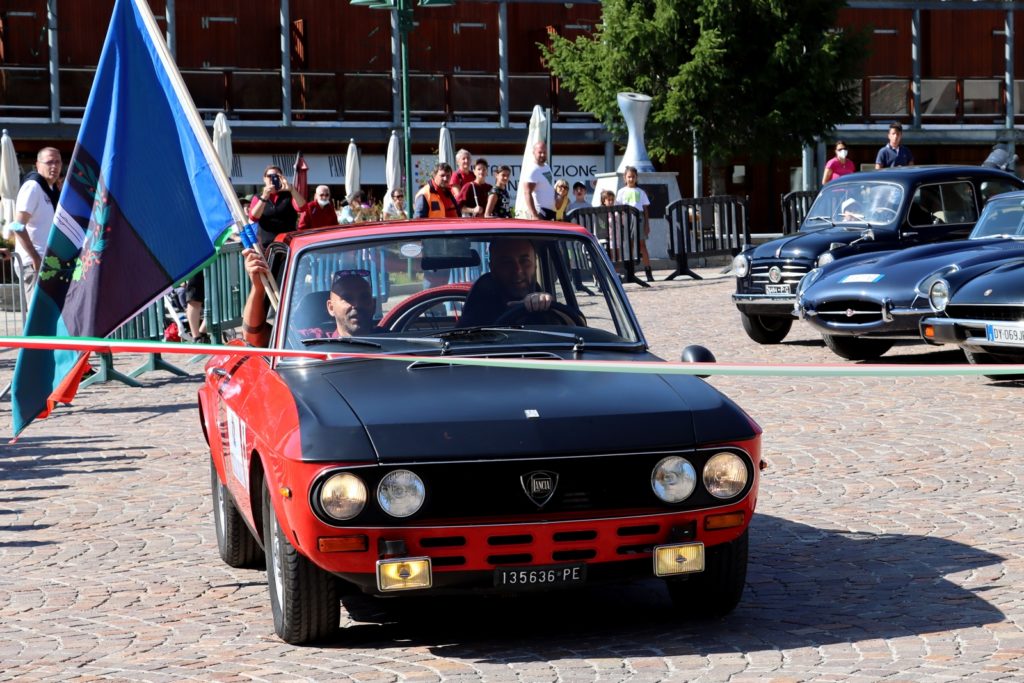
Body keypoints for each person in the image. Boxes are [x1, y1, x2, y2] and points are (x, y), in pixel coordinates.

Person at [240, 250, 376, 347]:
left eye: (364, 297)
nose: (357, 304)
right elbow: (254, 339)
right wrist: (258, 288)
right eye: (347, 298)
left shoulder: (394, 341)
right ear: (330, 307)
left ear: (374, 304)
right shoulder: (310, 340)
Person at [459, 238, 554, 327]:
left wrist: (547, 304)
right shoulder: (478, 311)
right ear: (492, 268)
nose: (518, 270)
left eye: (524, 261)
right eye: (507, 263)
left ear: (535, 264)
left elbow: (567, 324)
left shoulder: (543, 300)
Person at [11, 147, 62, 300]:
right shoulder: (33, 187)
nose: (54, 166)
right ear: (38, 165)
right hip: (33, 265)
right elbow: (18, 227)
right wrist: (35, 258)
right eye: (49, 162)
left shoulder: (51, 189)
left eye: (58, 162)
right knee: (38, 318)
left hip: (49, 263)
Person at [249, 164, 306, 247]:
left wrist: (291, 189)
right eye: (269, 176)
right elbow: (253, 217)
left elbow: (302, 207)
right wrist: (264, 197)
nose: (273, 178)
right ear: (264, 179)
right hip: (267, 245)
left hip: (288, 242)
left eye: (276, 176)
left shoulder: (289, 194)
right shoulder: (258, 197)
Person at [614, 166, 655, 282]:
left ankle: (648, 271)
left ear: (636, 177)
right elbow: (618, 207)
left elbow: (645, 209)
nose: (631, 179)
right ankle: (629, 271)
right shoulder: (621, 192)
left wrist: (647, 224)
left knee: (642, 245)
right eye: (629, 177)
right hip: (626, 219)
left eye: (633, 177)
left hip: (639, 218)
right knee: (629, 245)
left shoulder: (640, 192)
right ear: (625, 178)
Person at [523, 141, 556, 220]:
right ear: (533, 152)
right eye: (540, 152)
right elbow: (527, 193)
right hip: (539, 212)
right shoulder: (532, 170)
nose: (543, 155)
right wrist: (534, 215)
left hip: (550, 211)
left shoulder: (546, 166)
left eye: (544, 152)